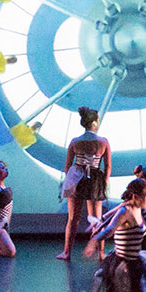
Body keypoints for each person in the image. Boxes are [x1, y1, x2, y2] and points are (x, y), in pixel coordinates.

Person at [64, 178, 146, 292]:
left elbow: (108, 216)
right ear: (136, 197)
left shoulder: (136, 208)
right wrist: (94, 241)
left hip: (136, 262)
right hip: (123, 266)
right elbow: (110, 229)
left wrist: (101, 221)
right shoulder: (125, 211)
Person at [56, 106, 111, 261]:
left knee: (73, 219)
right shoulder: (103, 142)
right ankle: (101, 253)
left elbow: (67, 166)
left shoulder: (75, 142)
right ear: (93, 123)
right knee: (96, 218)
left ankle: (67, 253)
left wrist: (72, 179)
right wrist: (103, 183)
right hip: (95, 179)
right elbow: (107, 167)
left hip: (77, 177)